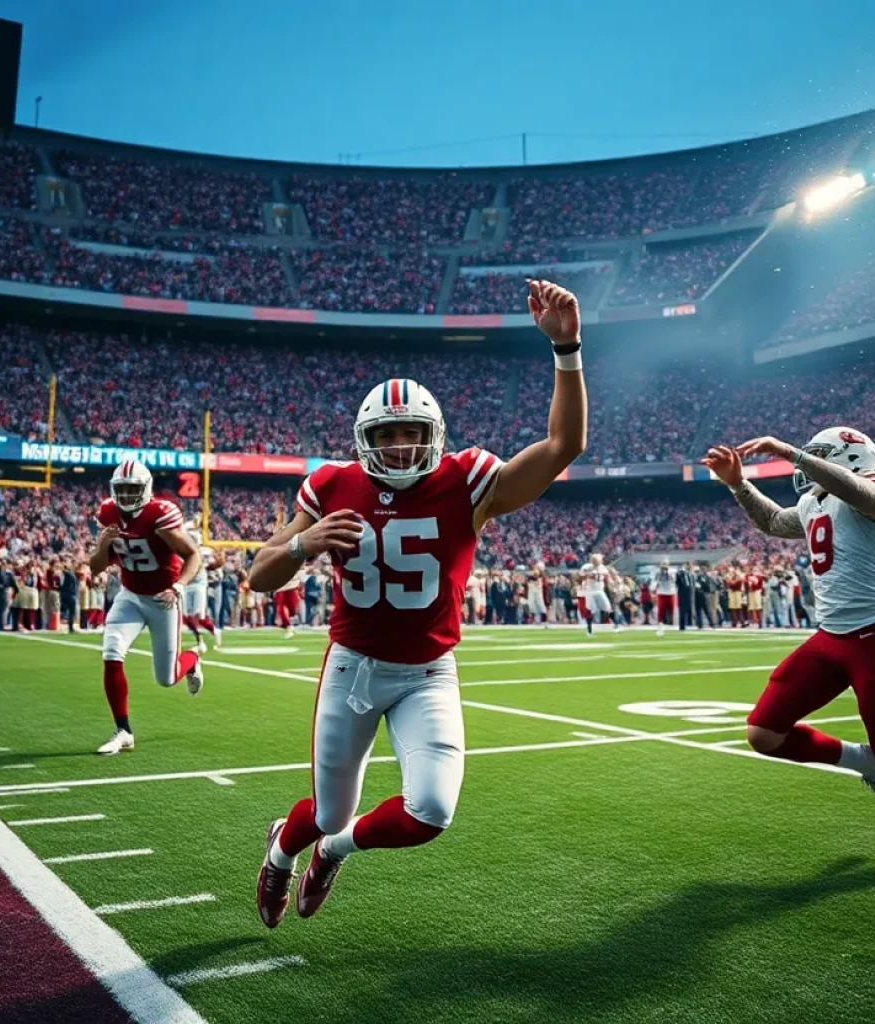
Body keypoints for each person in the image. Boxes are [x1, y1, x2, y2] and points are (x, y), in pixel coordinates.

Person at [249, 279, 587, 927]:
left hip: (429, 672)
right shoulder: (330, 485)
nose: (401, 447)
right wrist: (305, 544)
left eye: (412, 432)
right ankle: (284, 848)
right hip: (353, 669)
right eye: (388, 435)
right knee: (326, 809)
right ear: (362, 439)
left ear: (433, 433)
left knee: (430, 810)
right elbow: (260, 575)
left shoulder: (467, 480)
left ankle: (331, 854)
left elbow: (562, 448)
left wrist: (566, 347)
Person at [703, 426, 875, 824]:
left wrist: (791, 453)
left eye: (821, 454)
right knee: (764, 734)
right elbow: (774, 521)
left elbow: (864, 496)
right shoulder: (813, 502)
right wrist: (738, 485)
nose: (810, 463)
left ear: (850, 457)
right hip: (831, 634)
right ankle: (863, 762)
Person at [89, 460, 206, 756]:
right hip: (130, 595)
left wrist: (178, 587)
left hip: (162, 599)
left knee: (166, 679)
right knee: (111, 652)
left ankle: (190, 660)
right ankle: (123, 731)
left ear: (146, 489)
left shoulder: (159, 515)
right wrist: (103, 545)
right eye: (122, 490)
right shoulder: (108, 513)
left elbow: (193, 555)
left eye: (133, 489)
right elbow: (95, 568)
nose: (126, 496)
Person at [182, 519, 223, 651]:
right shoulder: (180, 550)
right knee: (186, 616)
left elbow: (216, 563)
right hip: (186, 584)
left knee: (199, 615)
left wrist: (214, 563)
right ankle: (199, 639)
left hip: (199, 583)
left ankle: (215, 631)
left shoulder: (204, 551)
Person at [652, 560, 676, 636]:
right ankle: (660, 625)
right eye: (663, 565)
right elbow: (655, 582)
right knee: (661, 610)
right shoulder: (657, 573)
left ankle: (671, 622)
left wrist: (668, 574)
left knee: (671, 609)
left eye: (665, 565)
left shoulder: (672, 571)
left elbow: (673, 580)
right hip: (662, 593)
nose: (664, 567)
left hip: (670, 593)